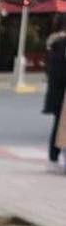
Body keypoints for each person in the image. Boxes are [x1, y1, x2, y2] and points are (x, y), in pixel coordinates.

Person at [43, 14, 66, 168]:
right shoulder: (62, 43)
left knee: (58, 123)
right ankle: (55, 154)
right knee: (60, 125)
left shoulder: (53, 42)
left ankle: (54, 155)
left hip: (55, 89)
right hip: (61, 91)